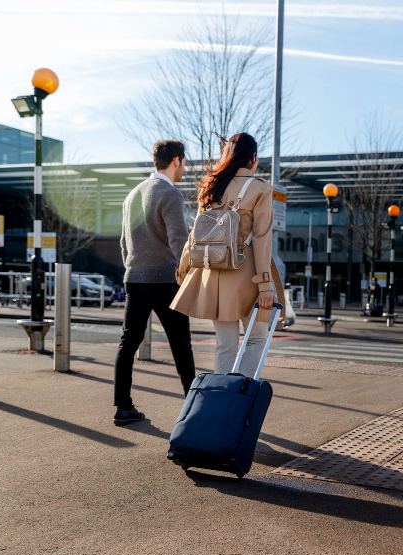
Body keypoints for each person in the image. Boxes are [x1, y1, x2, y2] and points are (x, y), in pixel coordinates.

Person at [172, 132, 278, 378]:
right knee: (256, 340)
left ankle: (220, 401)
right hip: (249, 274)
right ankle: (241, 399)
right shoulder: (261, 189)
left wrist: (183, 269)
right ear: (252, 157)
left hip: (214, 274)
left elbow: (195, 234)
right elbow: (262, 239)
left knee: (225, 345)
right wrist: (265, 285)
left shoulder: (211, 185)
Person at [112, 140, 196, 426]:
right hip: (164, 279)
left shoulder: (132, 195)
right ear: (175, 161)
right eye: (185, 162)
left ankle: (123, 407)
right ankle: (194, 411)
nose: (185, 167)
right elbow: (178, 240)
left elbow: (124, 242)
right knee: (180, 344)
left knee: (128, 342)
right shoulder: (170, 194)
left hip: (134, 278)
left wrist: (133, 268)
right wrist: (187, 273)